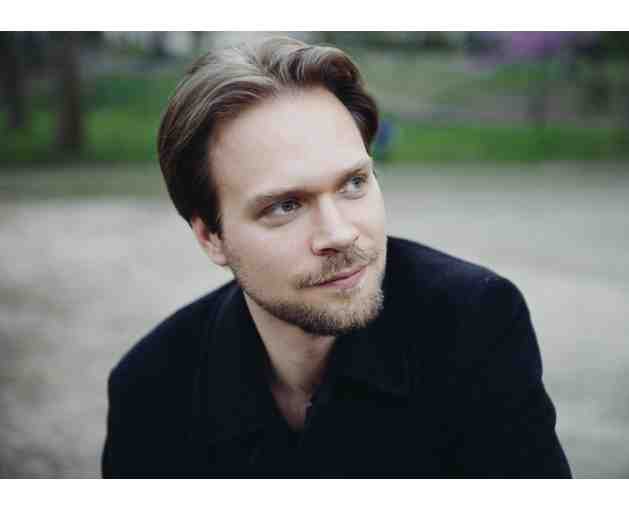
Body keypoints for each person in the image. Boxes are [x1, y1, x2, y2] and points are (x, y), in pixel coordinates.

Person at [102, 37, 571, 478]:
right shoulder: (151, 391)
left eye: (354, 183)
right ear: (211, 237)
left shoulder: (473, 325)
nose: (340, 234)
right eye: (285, 206)